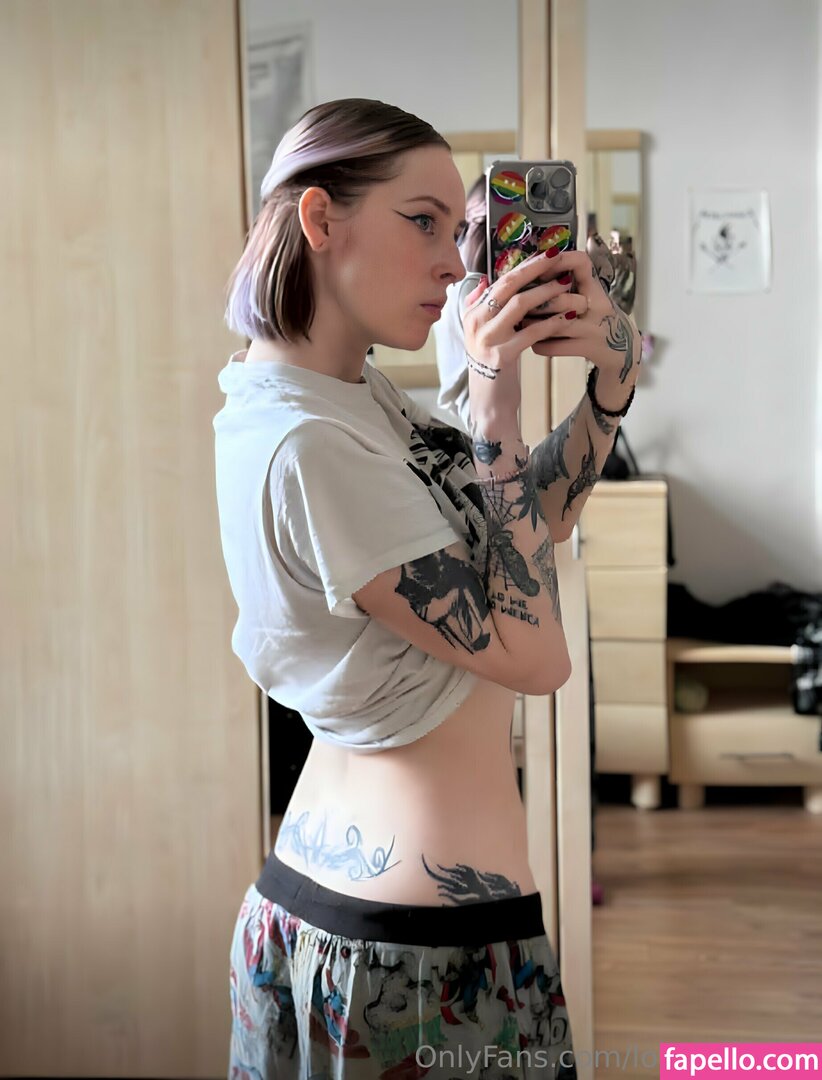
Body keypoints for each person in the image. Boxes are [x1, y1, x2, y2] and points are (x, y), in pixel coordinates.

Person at [213, 97, 641, 1080]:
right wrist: (489, 412)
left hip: (382, 923)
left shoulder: (346, 395)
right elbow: (537, 654)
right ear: (320, 220)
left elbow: (517, 538)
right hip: (406, 958)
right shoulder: (309, 443)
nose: (455, 264)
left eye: (461, 231)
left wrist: (610, 383)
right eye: (424, 223)